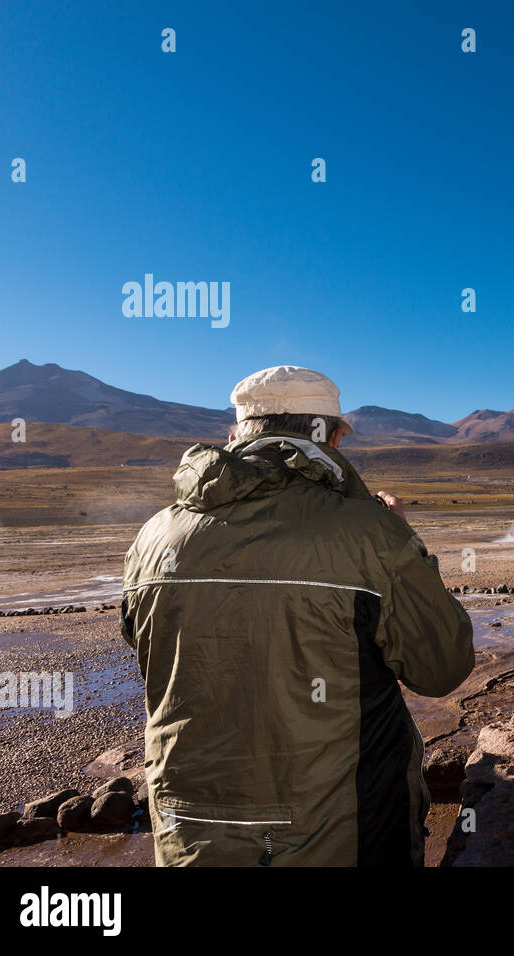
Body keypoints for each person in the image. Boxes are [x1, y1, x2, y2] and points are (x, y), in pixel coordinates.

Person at [120, 365, 474, 866]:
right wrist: (404, 545)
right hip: (341, 834)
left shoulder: (153, 536)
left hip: (188, 831)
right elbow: (442, 667)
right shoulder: (370, 536)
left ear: (236, 434)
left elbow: (151, 651)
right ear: (328, 436)